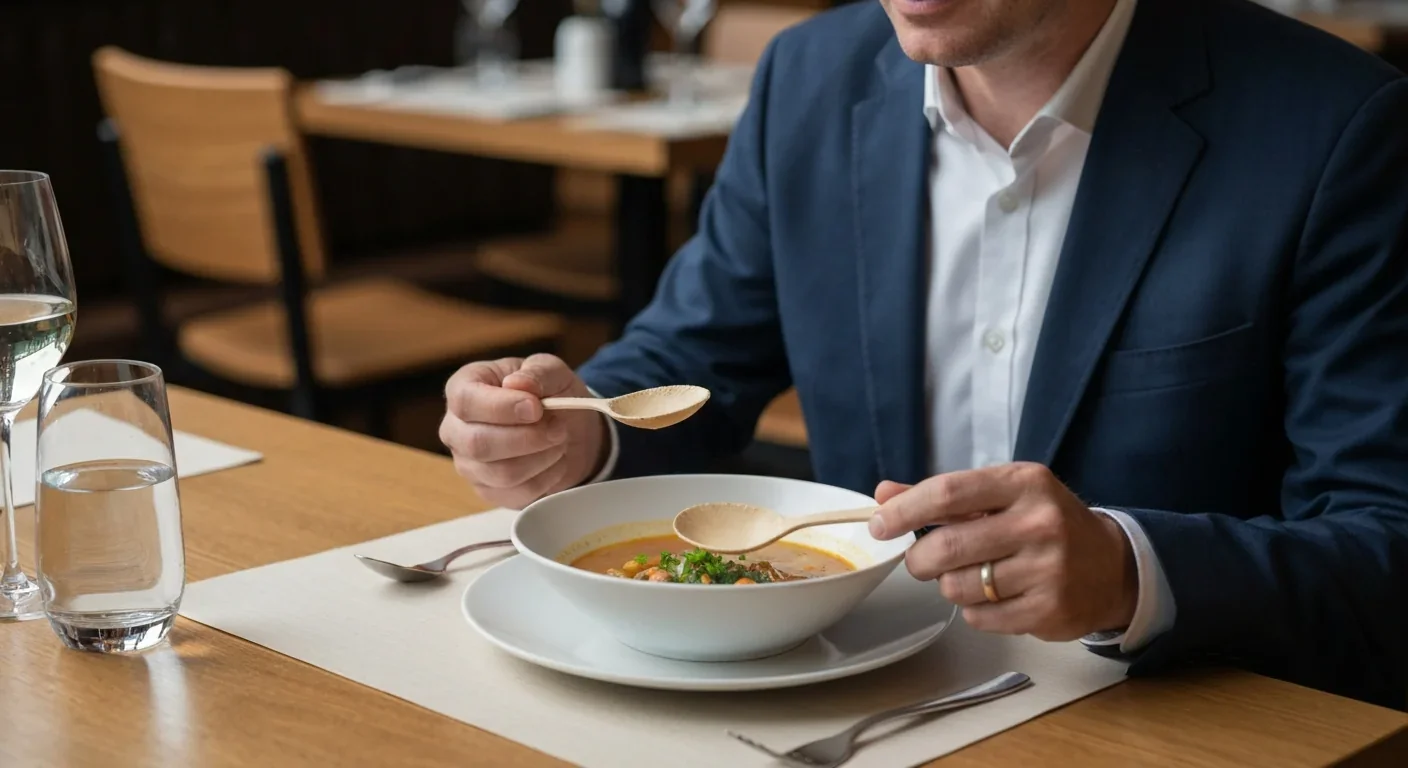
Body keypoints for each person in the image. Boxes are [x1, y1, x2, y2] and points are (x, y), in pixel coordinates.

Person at [439, 0, 1408, 709]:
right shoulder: (807, 79)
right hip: (841, 703)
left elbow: (1385, 545)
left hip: (1165, 712)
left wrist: (1124, 568)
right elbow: (695, 352)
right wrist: (577, 432)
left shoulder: (1337, 128)